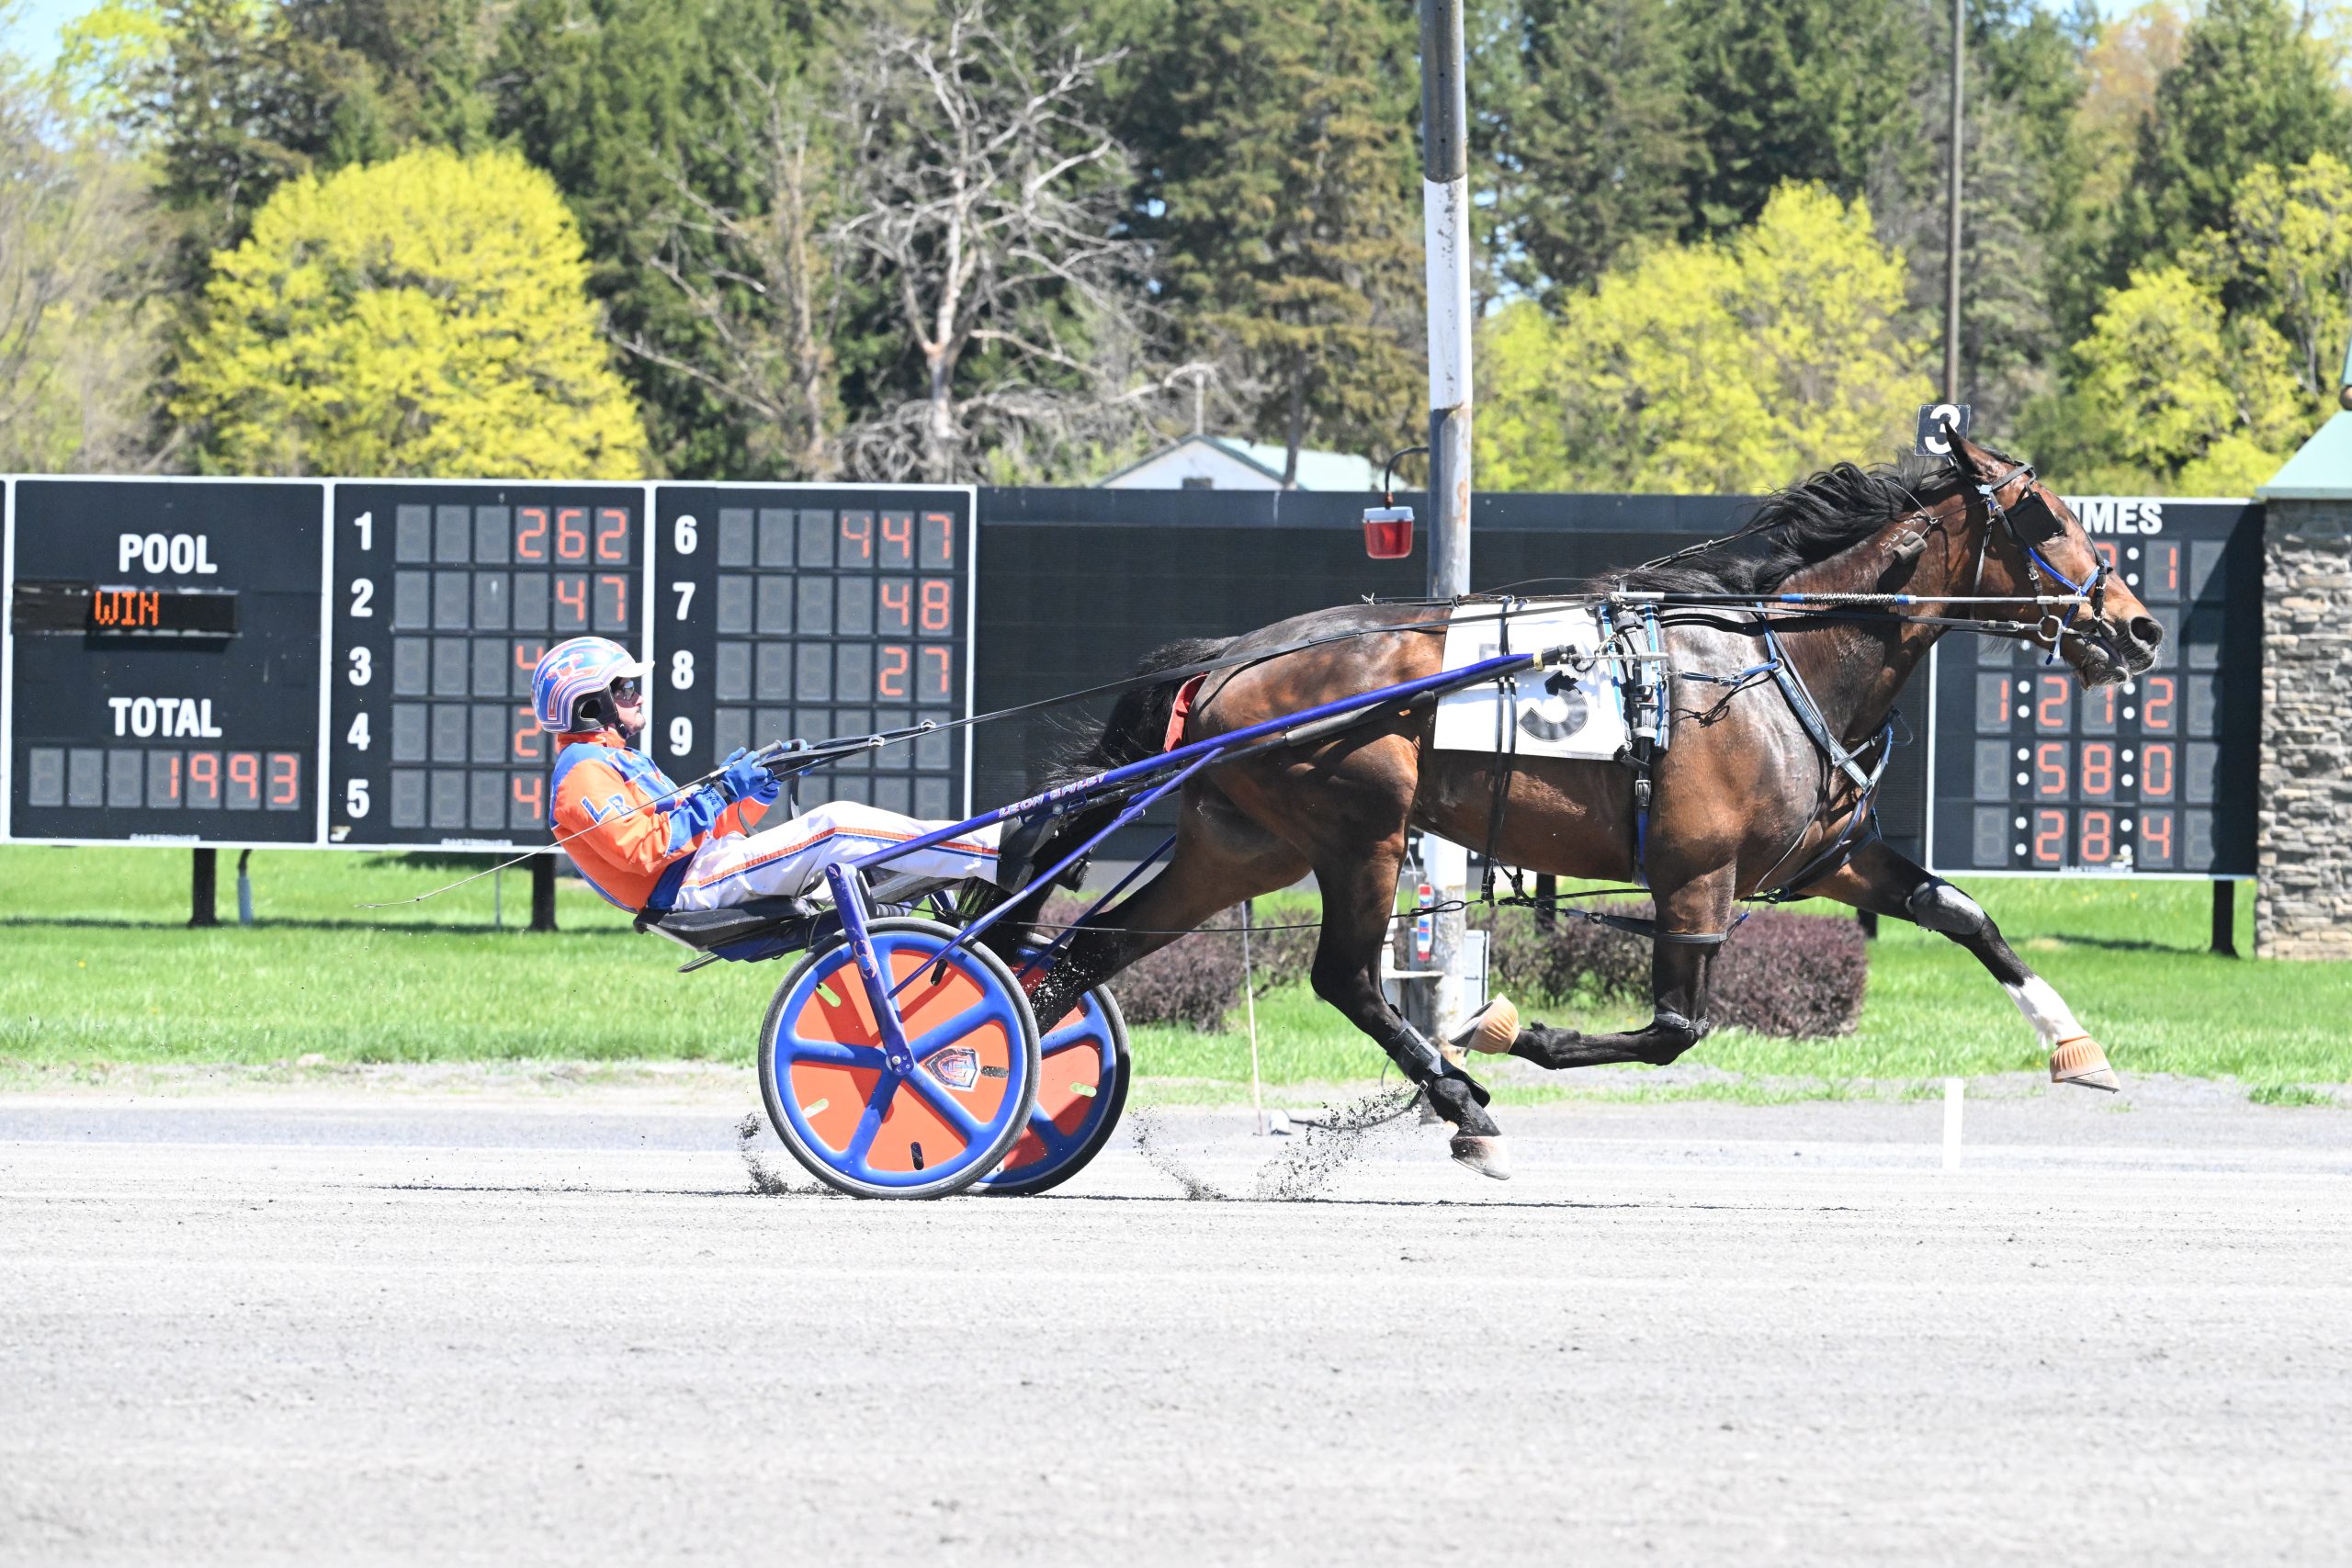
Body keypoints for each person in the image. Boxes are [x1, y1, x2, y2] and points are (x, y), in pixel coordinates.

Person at [531, 636, 1012, 916]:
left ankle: (980, 871)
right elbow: (644, 851)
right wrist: (720, 790)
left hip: (708, 866)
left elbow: (711, 828)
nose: (637, 695)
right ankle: (998, 852)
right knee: (838, 825)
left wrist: (756, 790)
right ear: (589, 704)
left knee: (857, 843)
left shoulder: (615, 759)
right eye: (625, 688)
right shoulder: (582, 776)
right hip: (687, 887)